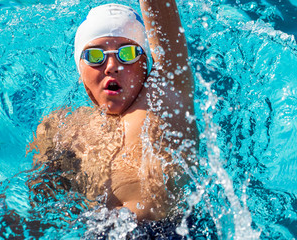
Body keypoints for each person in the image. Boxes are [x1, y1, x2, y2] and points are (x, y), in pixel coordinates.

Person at [29, 0, 197, 222]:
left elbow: (162, 18)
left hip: (167, 232)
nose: (111, 66)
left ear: (145, 64)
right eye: (95, 56)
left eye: (127, 54)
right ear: (81, 70)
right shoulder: (63, 129)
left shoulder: (163, 98)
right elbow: (39, 209)